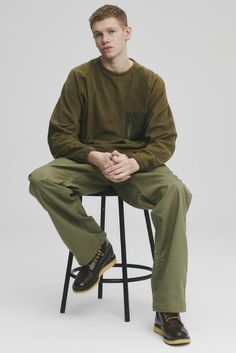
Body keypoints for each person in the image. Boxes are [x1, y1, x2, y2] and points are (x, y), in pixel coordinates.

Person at [28, 4, 192, 346]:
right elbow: (59, 135)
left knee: (175, 191)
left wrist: (134, 162)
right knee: (42, 178)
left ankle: (169, 310)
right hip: (91, 164)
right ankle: (96, 250)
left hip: (136, 168)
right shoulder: (80, 77)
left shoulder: (150, 82)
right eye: (98, 35)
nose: (105, 40)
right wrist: (94, 156)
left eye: (111, 32)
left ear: (127, 33)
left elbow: (164, 141)